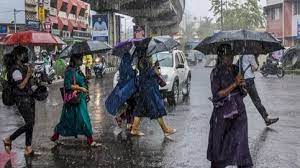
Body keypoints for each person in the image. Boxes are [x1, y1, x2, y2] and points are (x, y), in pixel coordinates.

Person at [207, 44, 253, 168]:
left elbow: (243, 93)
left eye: (231, 54)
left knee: (240, 144)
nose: (230, 57)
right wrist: (234, 84)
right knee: (220, 147)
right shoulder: (215, 72)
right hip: (222, 115)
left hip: (239, 113)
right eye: (227, 55)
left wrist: (243, 85)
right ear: (221, 56)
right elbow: (217, 95)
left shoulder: (236, 69)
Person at [50, 53, 97, 146]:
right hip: (74, 99)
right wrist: (81, 88)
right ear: (75, 60)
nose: (81, 61)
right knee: (82, 119)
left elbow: (81, 81)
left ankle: (55, 136)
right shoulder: (69, 71)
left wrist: (85, 82)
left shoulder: (77, 70)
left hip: (80, 99)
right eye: (80, 59)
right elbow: (67, 86)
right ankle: (90, 140)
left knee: (70, 120)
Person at [130, 49, 176, 136]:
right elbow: (147, 74)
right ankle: (165, 129)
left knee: (140, 109)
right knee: (157, 109)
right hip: (148, 89)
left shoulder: (142, 60)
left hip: (144, 88)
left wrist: (154, 66)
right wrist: (155, 70)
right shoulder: (144, 60)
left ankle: (134, 129)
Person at [2, 46, 37, 156]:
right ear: (17, 56)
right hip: (21, 99)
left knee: (30, 123)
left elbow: (28, 83)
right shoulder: (14, 69)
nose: (25, 56)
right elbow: (21, 86)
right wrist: (28, 75)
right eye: (23, 54)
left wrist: (31, 74)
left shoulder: (23, 67)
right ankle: (9, 139)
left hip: (29, 97)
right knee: (30, 122)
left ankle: (28, 148)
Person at [240, 54, 279, 126]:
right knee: (256, 101)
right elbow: (255, 68)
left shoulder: (242, 56)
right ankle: (266, 119)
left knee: (238, 99)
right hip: (249, 80)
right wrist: (256, 59)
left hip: (242, 80)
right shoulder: (250, 55)